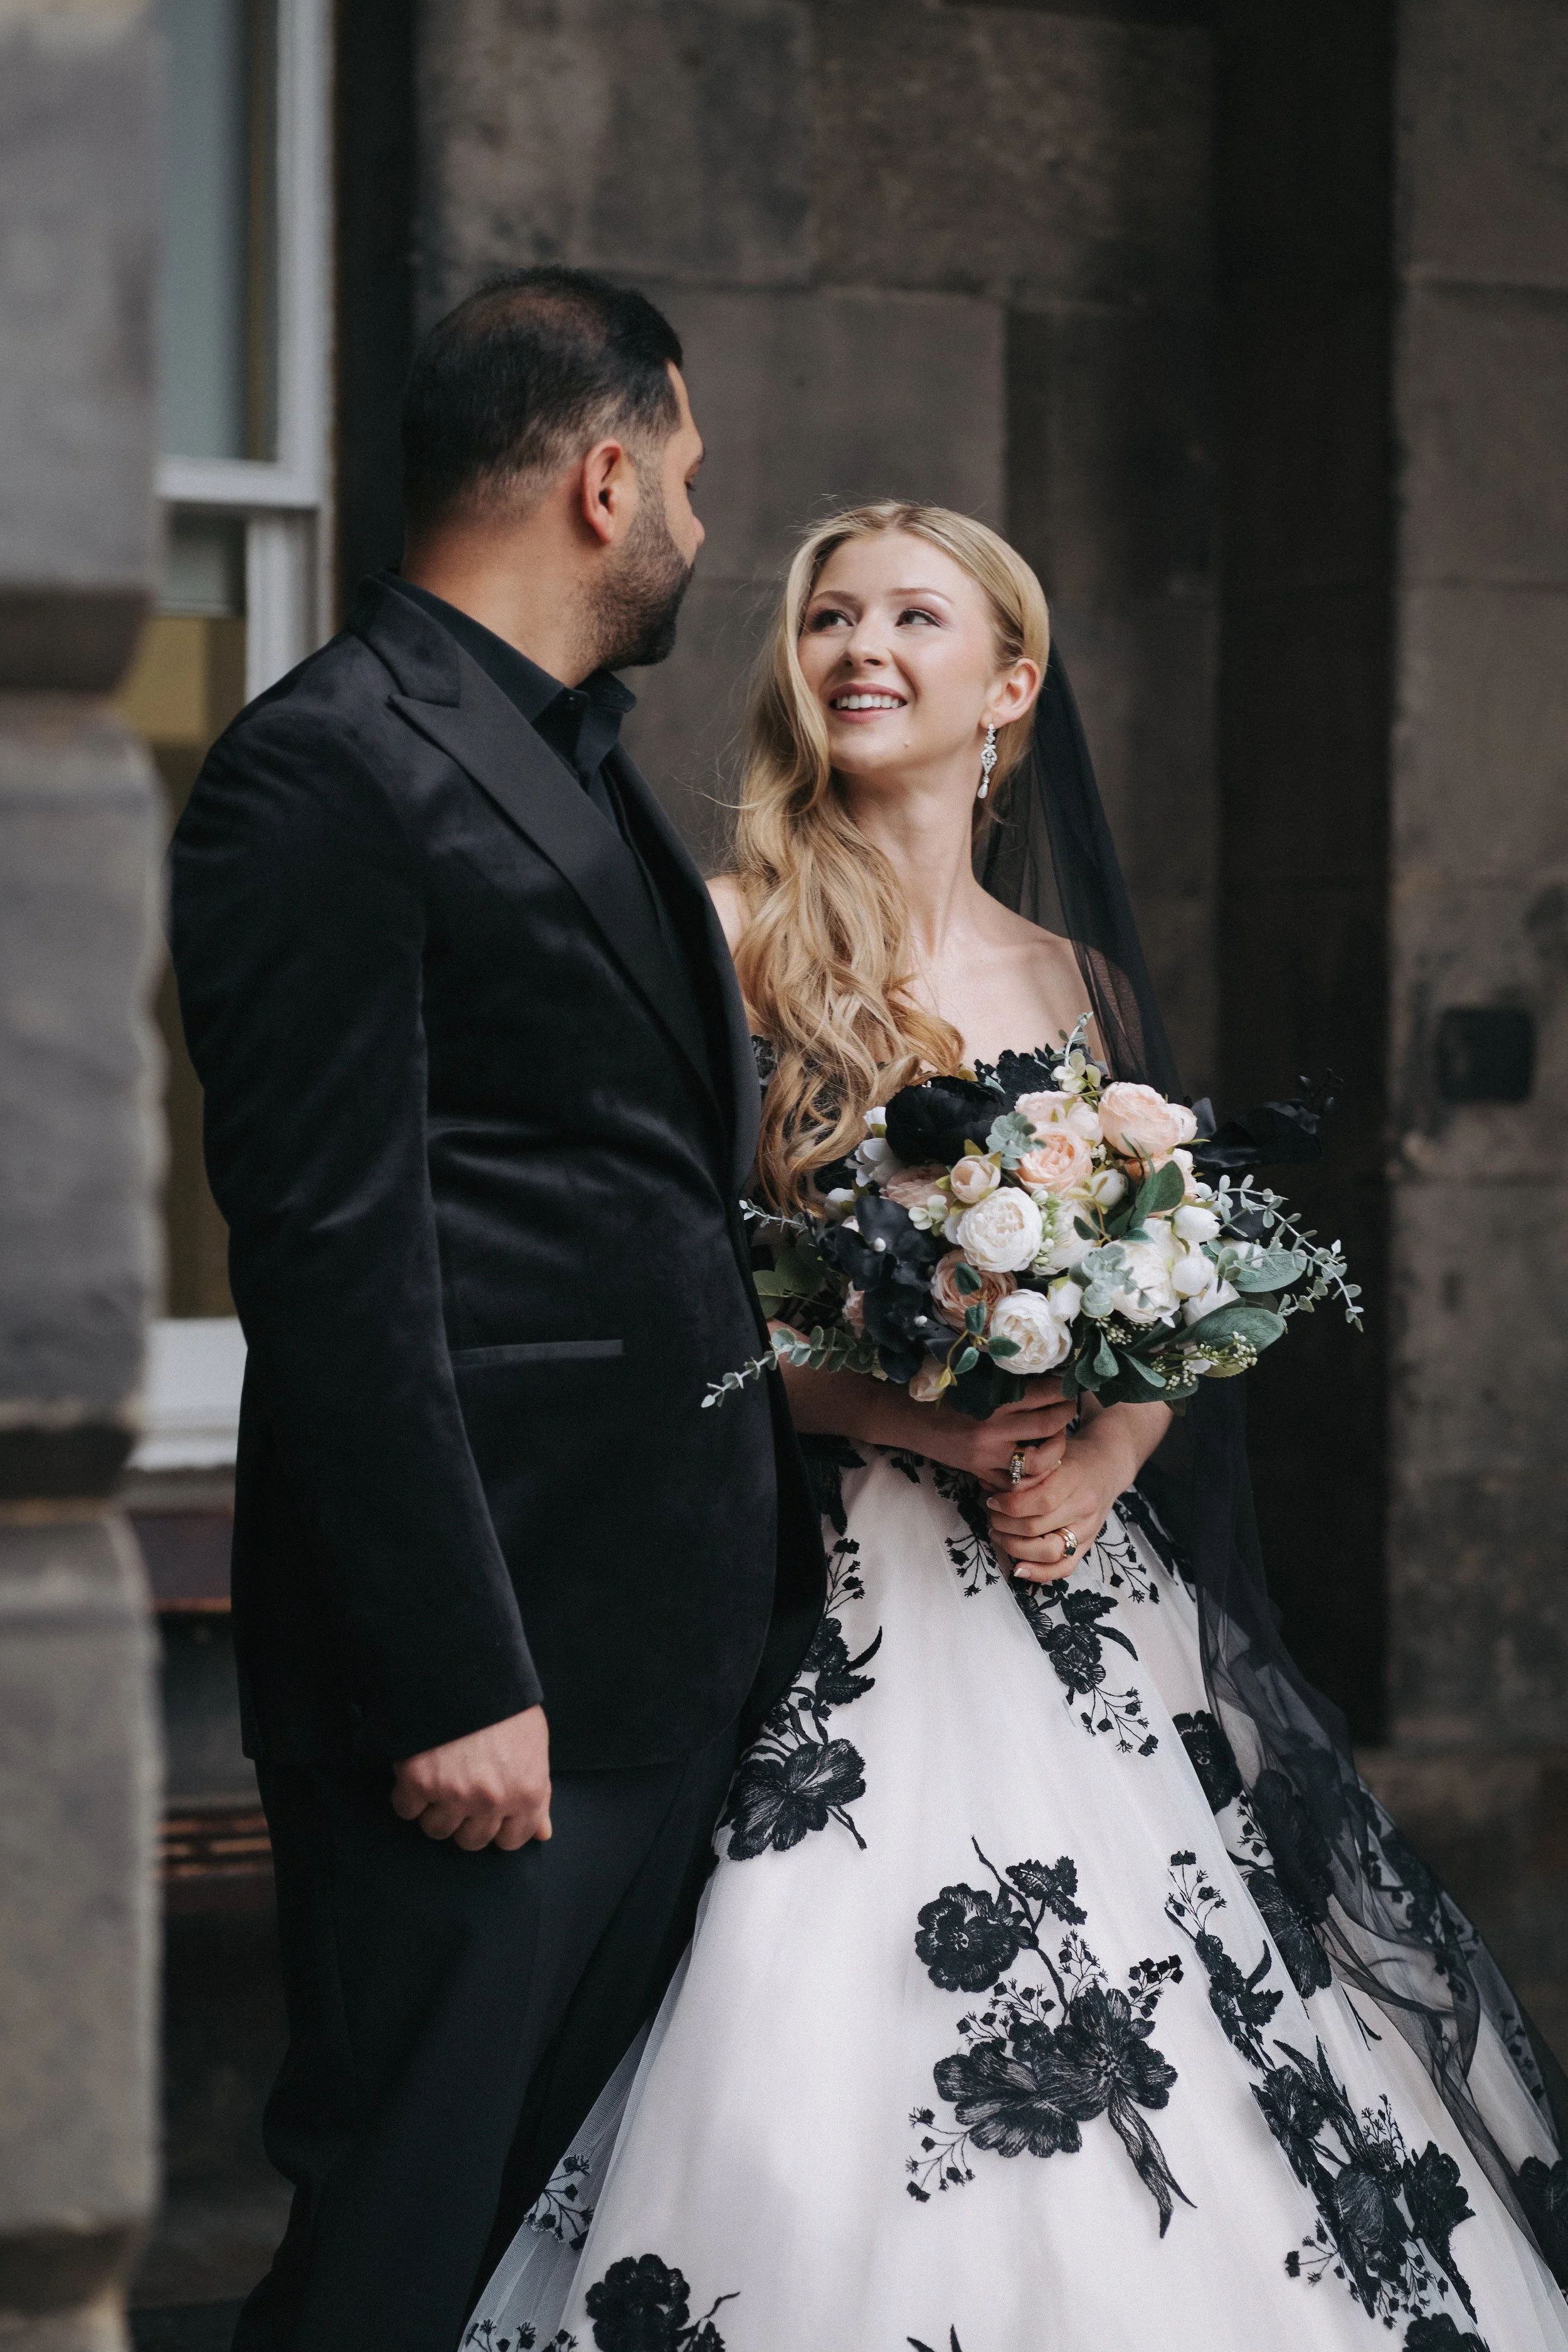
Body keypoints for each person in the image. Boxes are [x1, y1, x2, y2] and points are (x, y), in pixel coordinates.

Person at [470, 503, 1568, 2351]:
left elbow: (1171, 1294)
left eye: (912, 614)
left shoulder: (1077, 981)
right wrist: (918, 1419)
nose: (859, 646)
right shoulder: (724, 940)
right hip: (811, 1581)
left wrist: (1100, 1455)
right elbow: (662, 1316)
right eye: (827, 614)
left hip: (1075, 1590)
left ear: (1012, 686)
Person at [169, 267, 829, 2352]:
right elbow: (335, 1261)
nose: (705, 530)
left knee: (541, 2250)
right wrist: (456, 1675)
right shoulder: (323, 772)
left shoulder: (590, 762)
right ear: (604, 474)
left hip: (662, 1643)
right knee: (398, 2239)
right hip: (485, 1682)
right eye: (693, 482)